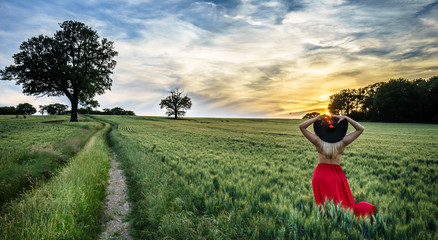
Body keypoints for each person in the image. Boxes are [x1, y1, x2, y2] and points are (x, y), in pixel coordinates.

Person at [299, 114, 375, 217]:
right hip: (336, 175)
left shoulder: (318, 142)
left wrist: (317, 118)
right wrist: (346, 118)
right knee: (342, 203)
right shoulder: (343, 142)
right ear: (339, 131)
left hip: (320, 175)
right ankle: (342, 220)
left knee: (324, 206)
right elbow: (360, 129)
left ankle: (328, 224)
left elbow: (301, 126)